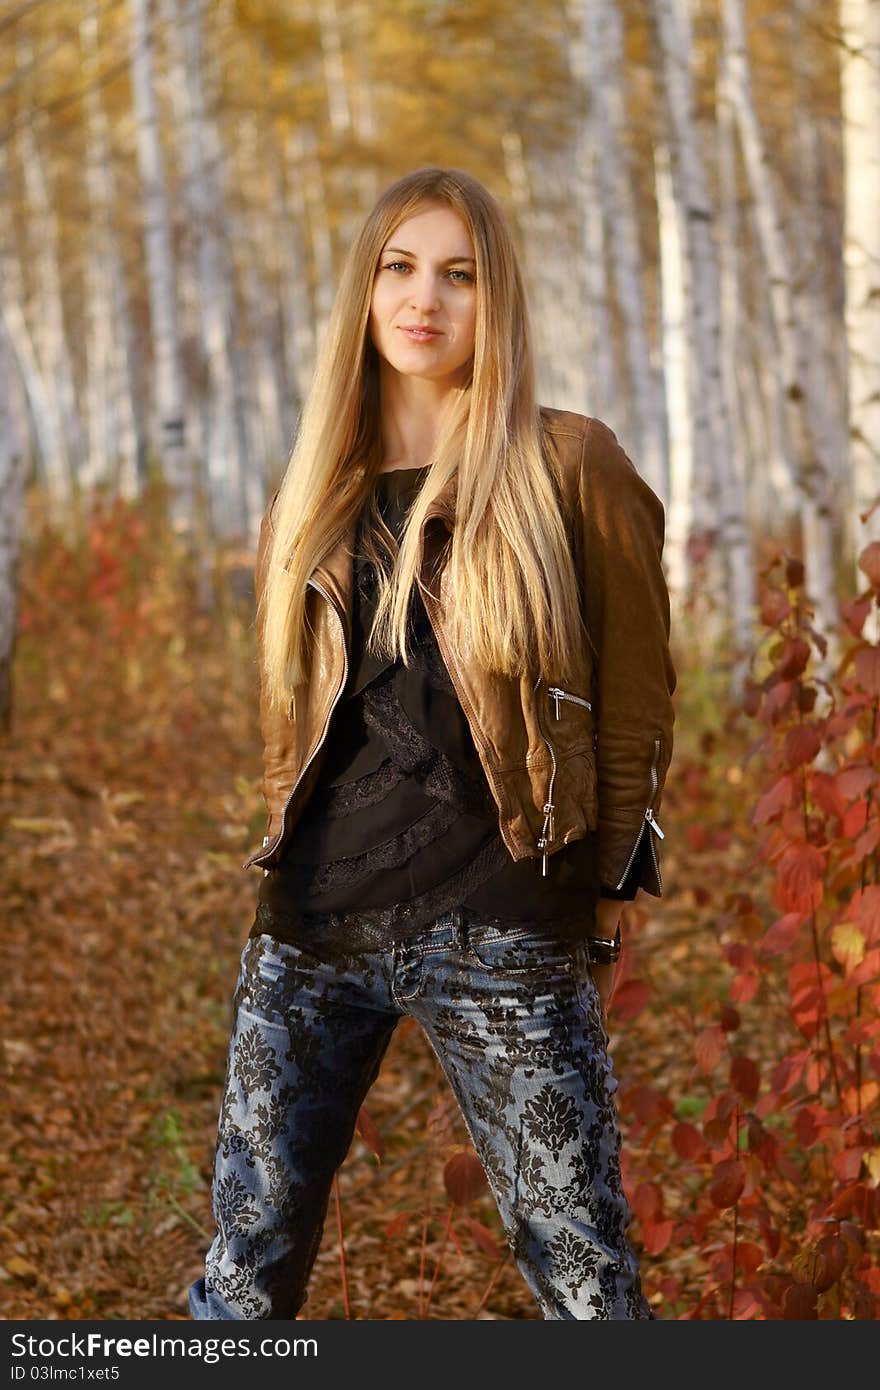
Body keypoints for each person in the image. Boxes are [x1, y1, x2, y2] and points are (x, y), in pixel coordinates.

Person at [188, 166, 676, 1322]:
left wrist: (610, 879)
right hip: (312, 929)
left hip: (503, 924)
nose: (426, 299)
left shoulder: (569, 465)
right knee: (241, 1273)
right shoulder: (310, 489)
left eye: (460, 274)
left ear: (495, 300)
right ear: (363, 292)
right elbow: (288, 717)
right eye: (399, 268)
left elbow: (636, 691)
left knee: (587, 1280)